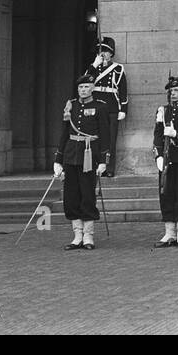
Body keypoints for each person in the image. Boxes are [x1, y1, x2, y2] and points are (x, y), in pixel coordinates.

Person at [53, 73, 109, 251]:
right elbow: (64, 133)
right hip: (71, 155)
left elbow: (105, 136)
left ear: (92, 88)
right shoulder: (72, 105)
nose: (83, 90)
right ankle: (77, 235)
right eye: (80, 87)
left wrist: (103, 160)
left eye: (86, 87)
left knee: (87, 195)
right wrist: (58, 159)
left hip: (89, 156)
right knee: (71, 197)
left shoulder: (100, 107)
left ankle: (88, 236)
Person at [152, 75, 178, 248]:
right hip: (167, 158)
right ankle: (169, 232)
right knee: (166, 194)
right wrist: (158, 155)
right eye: (171, 91)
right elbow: (157, 135)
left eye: (177, 90)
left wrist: (177, 134)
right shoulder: (163, 111)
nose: (174, 93)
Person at [82, 37, 128, 179]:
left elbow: (123, 89)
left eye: (106, 51)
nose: (103, 54)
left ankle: (109, 168)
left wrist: (123, 109)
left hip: (111, 107)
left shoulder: (118, 69)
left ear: (111, 53)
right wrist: (94, 66)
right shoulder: (93, 68)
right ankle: (96, 166)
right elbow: (84, 82)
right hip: (96, 107)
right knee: (95, 138)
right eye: (100, 51)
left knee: (110, 140)